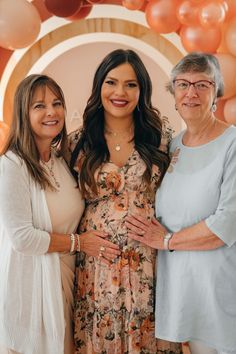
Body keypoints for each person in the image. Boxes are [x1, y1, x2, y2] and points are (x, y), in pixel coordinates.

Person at [69, 49, 182, 354]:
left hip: (149, 264)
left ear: (141, 90)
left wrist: (171, 237)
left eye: (131, 84)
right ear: (99, 87)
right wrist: (77, 241)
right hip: (97, 267)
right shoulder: (77, 142)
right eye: (112, 82)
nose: (120, 92)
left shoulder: (162, 138)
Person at [0, 74, 120, 354]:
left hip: (67, 283)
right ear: (23, 112)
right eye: (39, 106)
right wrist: (81, 243)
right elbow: (23, 239)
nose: (51, 112)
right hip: (32, 291)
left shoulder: (60, 160)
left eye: (57, 103)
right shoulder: (12, 166)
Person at [126, 52, 236, 354]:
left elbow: (226, 224)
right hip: (181, 291)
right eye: (183, 84)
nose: (191, 93)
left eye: (202, 84)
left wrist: (166, 240)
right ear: (173, 94)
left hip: (219, 294)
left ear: (217, 92)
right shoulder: (172, 146)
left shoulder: (232, 144)